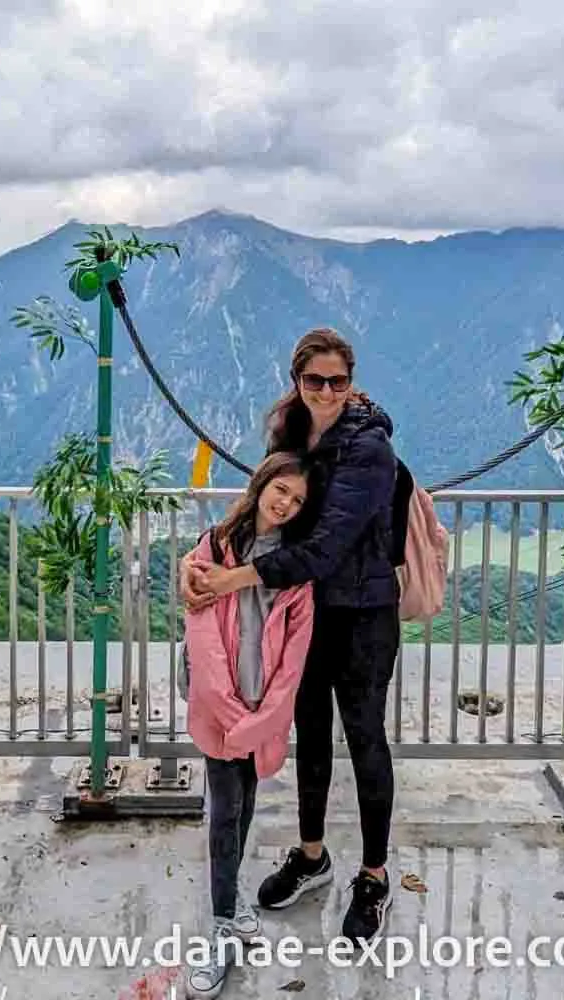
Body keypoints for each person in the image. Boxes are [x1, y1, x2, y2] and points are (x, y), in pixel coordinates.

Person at [181, 327, 400, 947]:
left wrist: (232, 581)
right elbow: (263, 510)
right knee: (308, 732)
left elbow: (325, 548)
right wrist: (199, 566)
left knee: (364, 740)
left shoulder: (369, 449)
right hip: (301, 610)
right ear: (296, 381)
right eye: (314, 381)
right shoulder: (290, 433)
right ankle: (311, 855)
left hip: (361, 611)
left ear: (351, 382)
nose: (326, 391)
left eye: (337, 381)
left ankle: (374, 876)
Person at [182, 451, 317, 999]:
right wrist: (238, 717)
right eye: (280, 490)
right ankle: (219, 928)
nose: (285, 504)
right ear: (261, 485)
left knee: (248, 805)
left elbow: (295, 661)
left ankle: (233, 901)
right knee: (225, 812)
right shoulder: (215, 547)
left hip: (262, 709)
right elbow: (203, 640)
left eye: (298, 500)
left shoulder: (295, 570)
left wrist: (265, 718)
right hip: (222, 709)